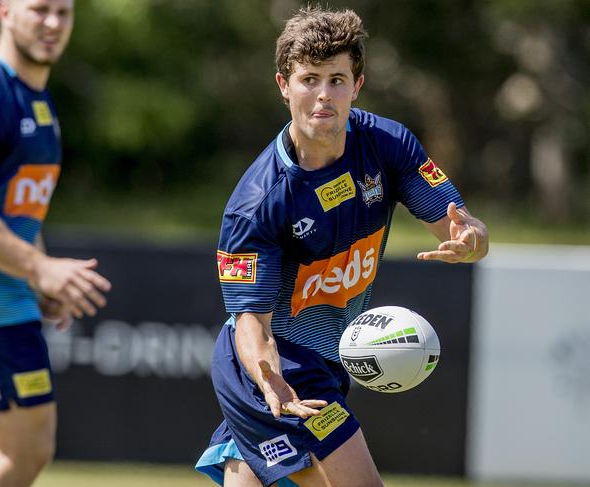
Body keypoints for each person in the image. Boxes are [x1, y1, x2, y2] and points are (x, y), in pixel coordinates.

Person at [195, 6, 488, 487]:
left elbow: (464, 230)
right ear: (283, 85)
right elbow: (251, 324)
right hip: (275, 364)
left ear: (358, 84)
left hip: (325, 361)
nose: (323, 96)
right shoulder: (258, 203)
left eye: (337, 79)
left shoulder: (388, 145)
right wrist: (270, 382)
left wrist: (471, 242)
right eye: (309, 79)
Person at [0, 1, 111, 485]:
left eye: (64, 12)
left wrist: (38, 275)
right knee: (28, 450)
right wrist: (40, 269)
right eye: (39, 9)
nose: (54, 24)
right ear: (5, 11)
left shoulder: (35, 97)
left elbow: (15, 215)